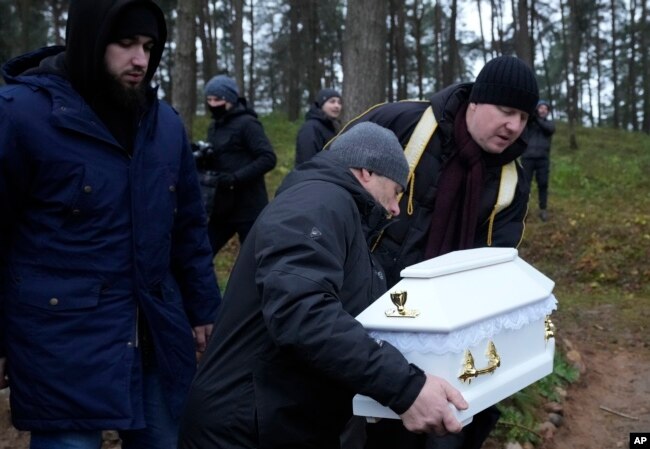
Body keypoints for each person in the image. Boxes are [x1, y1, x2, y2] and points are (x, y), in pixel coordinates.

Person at [0, 1, 221, 448]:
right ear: (90, 41)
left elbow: (190, 230)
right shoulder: (21, 115)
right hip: (62, 341)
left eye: (148, 46)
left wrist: (203, 310)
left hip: (156, 330)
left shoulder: (165, 127)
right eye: (125, 44)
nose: (140, 59)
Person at [177, 122, 469, 449]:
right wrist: (405, 386)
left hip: (282, 422)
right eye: (397, 191)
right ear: (366, 172)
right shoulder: (316, 202)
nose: (395, 208)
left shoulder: (345, 222)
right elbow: (302, 313)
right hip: (240, 428)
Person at [334, 55, 539, 449]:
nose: (514, 126)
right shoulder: (400, 124)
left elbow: (497, 262)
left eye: (524, 118)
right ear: (476, 101)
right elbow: (322, 184)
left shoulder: (512, 178)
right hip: (360, 311)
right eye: (507, 110)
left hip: (444, 331)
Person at [202, 74, 277, 256]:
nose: (213, 104)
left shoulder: (248, 124)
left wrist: (235, 178)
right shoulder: (214, 127)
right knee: (201, 253)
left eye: (218, 99)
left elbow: (268, 158)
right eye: (209, 99)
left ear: (230, 100)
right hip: (222, 207)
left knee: (254, 261)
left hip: (249, 207)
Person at [521, 100, 555, 222]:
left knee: (543, 184)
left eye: (546, 108)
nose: (543, 110)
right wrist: (532, 116)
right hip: (527, 158)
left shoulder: (549, 124)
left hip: (543, 160)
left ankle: (543, 210)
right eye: (541, 108)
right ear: (537, 109)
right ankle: (522, 210)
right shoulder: (529, 122)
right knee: (525, 185)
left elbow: (549, 130)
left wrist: (537, 119)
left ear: (548, 112)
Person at [295, 87, 343, 165]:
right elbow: (306, 162)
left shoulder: (332, 127)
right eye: (332, 101)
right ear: (321, 104)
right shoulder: (310, 128)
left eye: (339, 102)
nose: (337, 106)